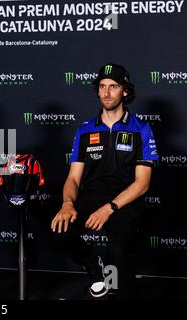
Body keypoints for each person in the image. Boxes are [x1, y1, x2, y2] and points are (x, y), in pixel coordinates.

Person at [50, 63, 158, 299]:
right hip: (91, 197)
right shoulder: (85, 130)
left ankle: (117, 287)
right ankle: (93, 266)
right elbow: (73, 178)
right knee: (60, 228)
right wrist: (67, 203)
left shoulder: (141, 129)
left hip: (124, 202)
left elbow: (142, 183)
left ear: (125, 91)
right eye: (102, 87)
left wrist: (108, 209)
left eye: (113, 87)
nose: (107, 92)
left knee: (119, 261)